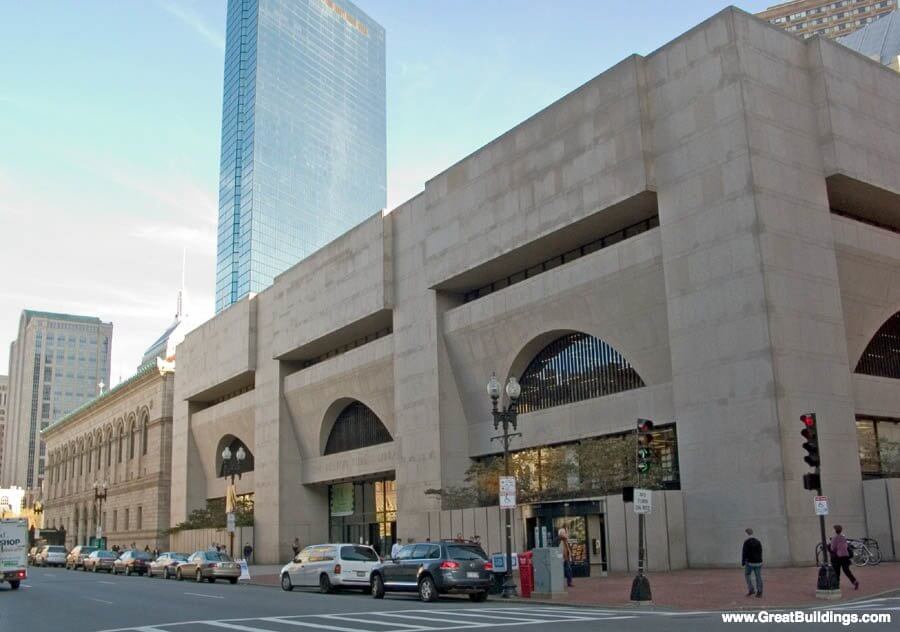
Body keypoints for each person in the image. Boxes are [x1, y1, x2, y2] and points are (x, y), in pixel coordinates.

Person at [829, 525, 859, 590]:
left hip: (837, 557)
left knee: (837, 571)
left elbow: (832, 548)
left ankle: (836, 585)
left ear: (835, 530)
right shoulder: (843, 537)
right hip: (845, 556)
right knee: (847, 571)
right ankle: (855, 581)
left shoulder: (834, 538)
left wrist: (829, 546)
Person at [741, 528, 763, 598]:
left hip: (750, 562)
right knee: (758, 576)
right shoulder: (758, 541)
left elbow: (744, 553)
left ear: (747, 534)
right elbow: (760, 551)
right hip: (758, 562)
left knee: (747, 574)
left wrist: (743, 562)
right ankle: (759, 591)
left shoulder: (746, 542)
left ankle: (751, 589)